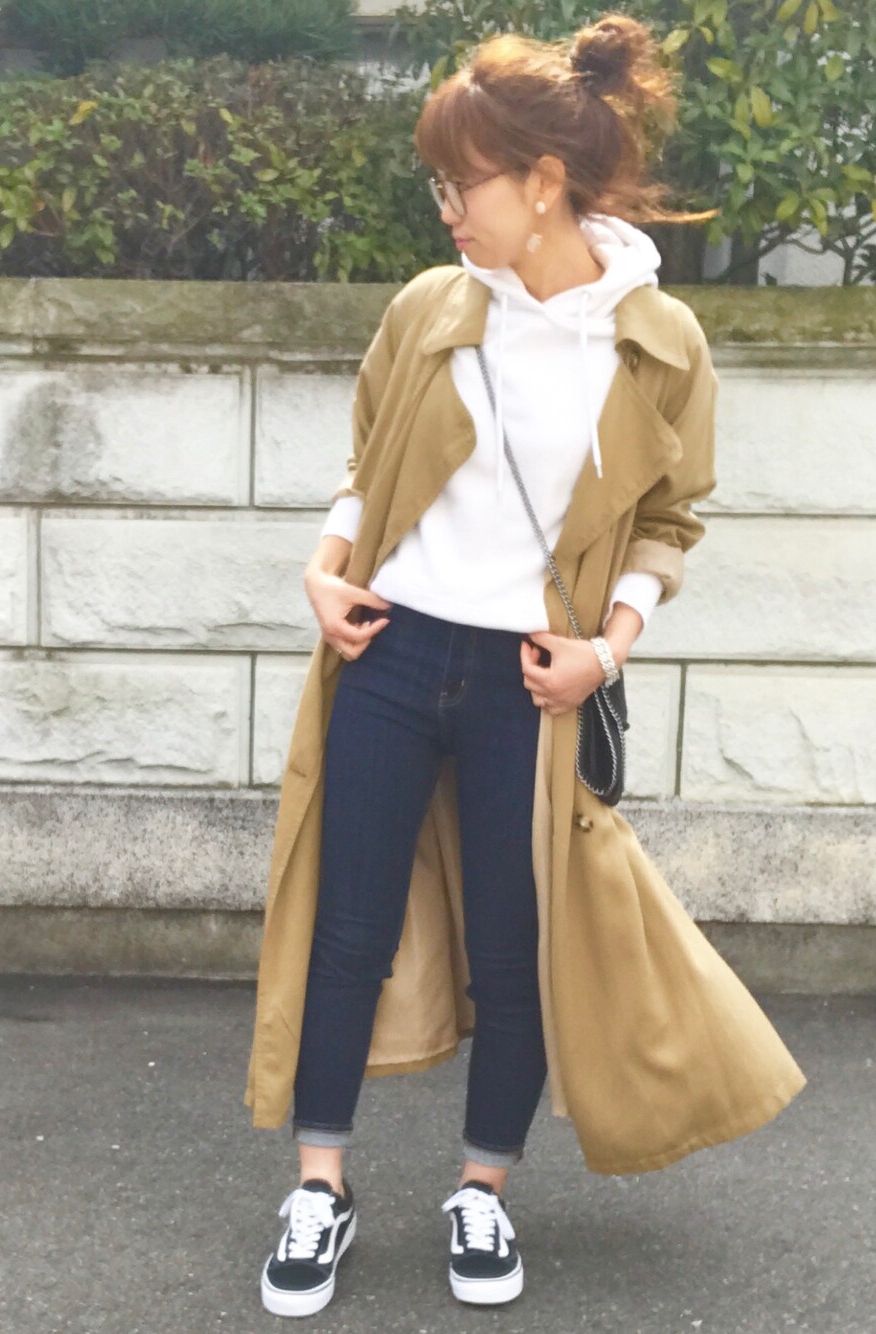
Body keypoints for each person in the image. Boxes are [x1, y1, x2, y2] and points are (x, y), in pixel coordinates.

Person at [248, 13, 806, 1318]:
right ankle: (319, 1187)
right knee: (347, 928)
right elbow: (366, 463)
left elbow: (668, 521)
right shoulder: (427, 312)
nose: (447, 210)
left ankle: (481, 1190)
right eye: (439, 186)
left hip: (529, 679)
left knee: (519, 945)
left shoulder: (657, 342)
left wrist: (605, 652)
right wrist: (323, 571)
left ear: (543, 182)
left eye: (463, 185)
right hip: (391, 651)